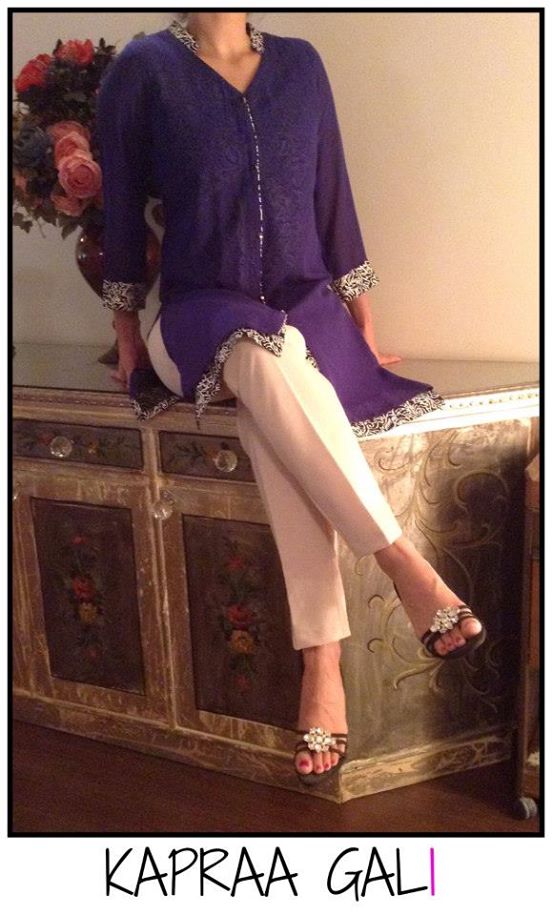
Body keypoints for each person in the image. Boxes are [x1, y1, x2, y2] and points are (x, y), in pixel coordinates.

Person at [95, 11, 486, 786]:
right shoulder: (145, 69)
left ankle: (322, 661)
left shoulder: (301, 65)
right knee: (254, 348)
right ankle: (403, 562)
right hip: (197, 314)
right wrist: (127, 331)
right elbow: (122, 205)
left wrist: (362, 322)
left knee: (274, 404)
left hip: (305, 314)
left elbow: (332, 193)